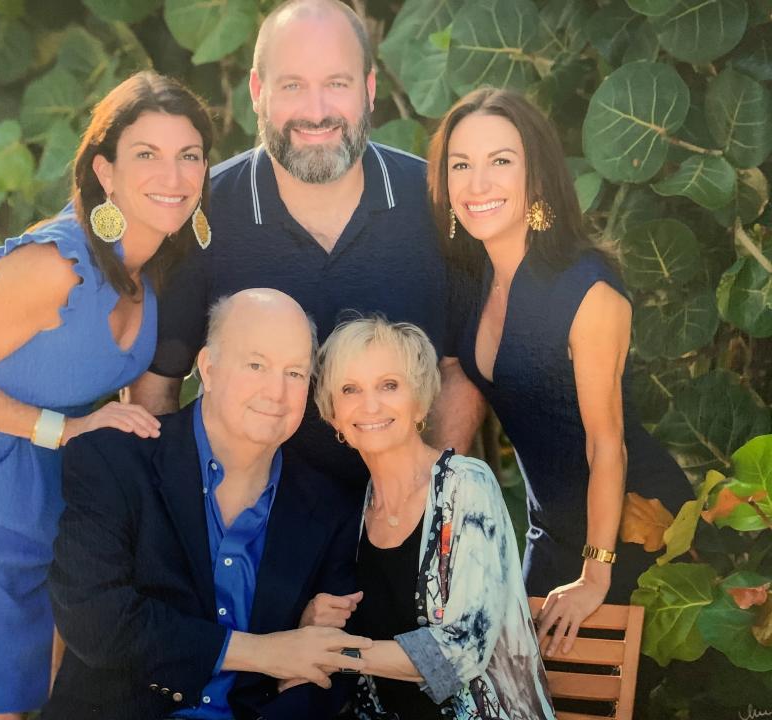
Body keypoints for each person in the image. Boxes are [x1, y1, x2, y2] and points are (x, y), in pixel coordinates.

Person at [0, 71, 214, 719]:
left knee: (55, 691)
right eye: (146, 155)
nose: (172, 176)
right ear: (106, 171)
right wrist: (60, 431)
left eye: (189, 155)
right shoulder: (54, 266)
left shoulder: (149, 275)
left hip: (57, 499)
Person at [127, 0, 484, 493]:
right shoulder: (200, 214)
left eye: (336, 84)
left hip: (398, 520)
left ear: (369, 88)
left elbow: (457, 370)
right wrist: (190, 521)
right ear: (257, 91)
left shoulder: (435, 203)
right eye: (292, 85)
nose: (316, 112)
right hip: (250, 530)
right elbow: (155, 387)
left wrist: (427, 504)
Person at [426, 87, 694, 655]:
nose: (478, 184)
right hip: (549, 530)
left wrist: (596, 576)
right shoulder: (470, 277)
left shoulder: (586, 291)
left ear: (538, 177)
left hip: (630, 524)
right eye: (461, 165)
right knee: (515, 682)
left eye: (501, 161)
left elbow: (607, 445)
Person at [42, 289, 370, 720]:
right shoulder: (114, 462)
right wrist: (264, 653)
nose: (276, 391)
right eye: (256, 365)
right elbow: (95, 620)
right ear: (209, 369)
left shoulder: (332, 506)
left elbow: (329, 669)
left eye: (295, 373)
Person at [305, 316, 554, 719]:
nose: (370, 405)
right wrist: (312, 621)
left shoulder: (466, 486)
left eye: (389, 385)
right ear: (333, 414)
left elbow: (462, 650)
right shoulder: (353, 510)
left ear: (419, 401)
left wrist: (336, 654)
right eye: (350, 389)